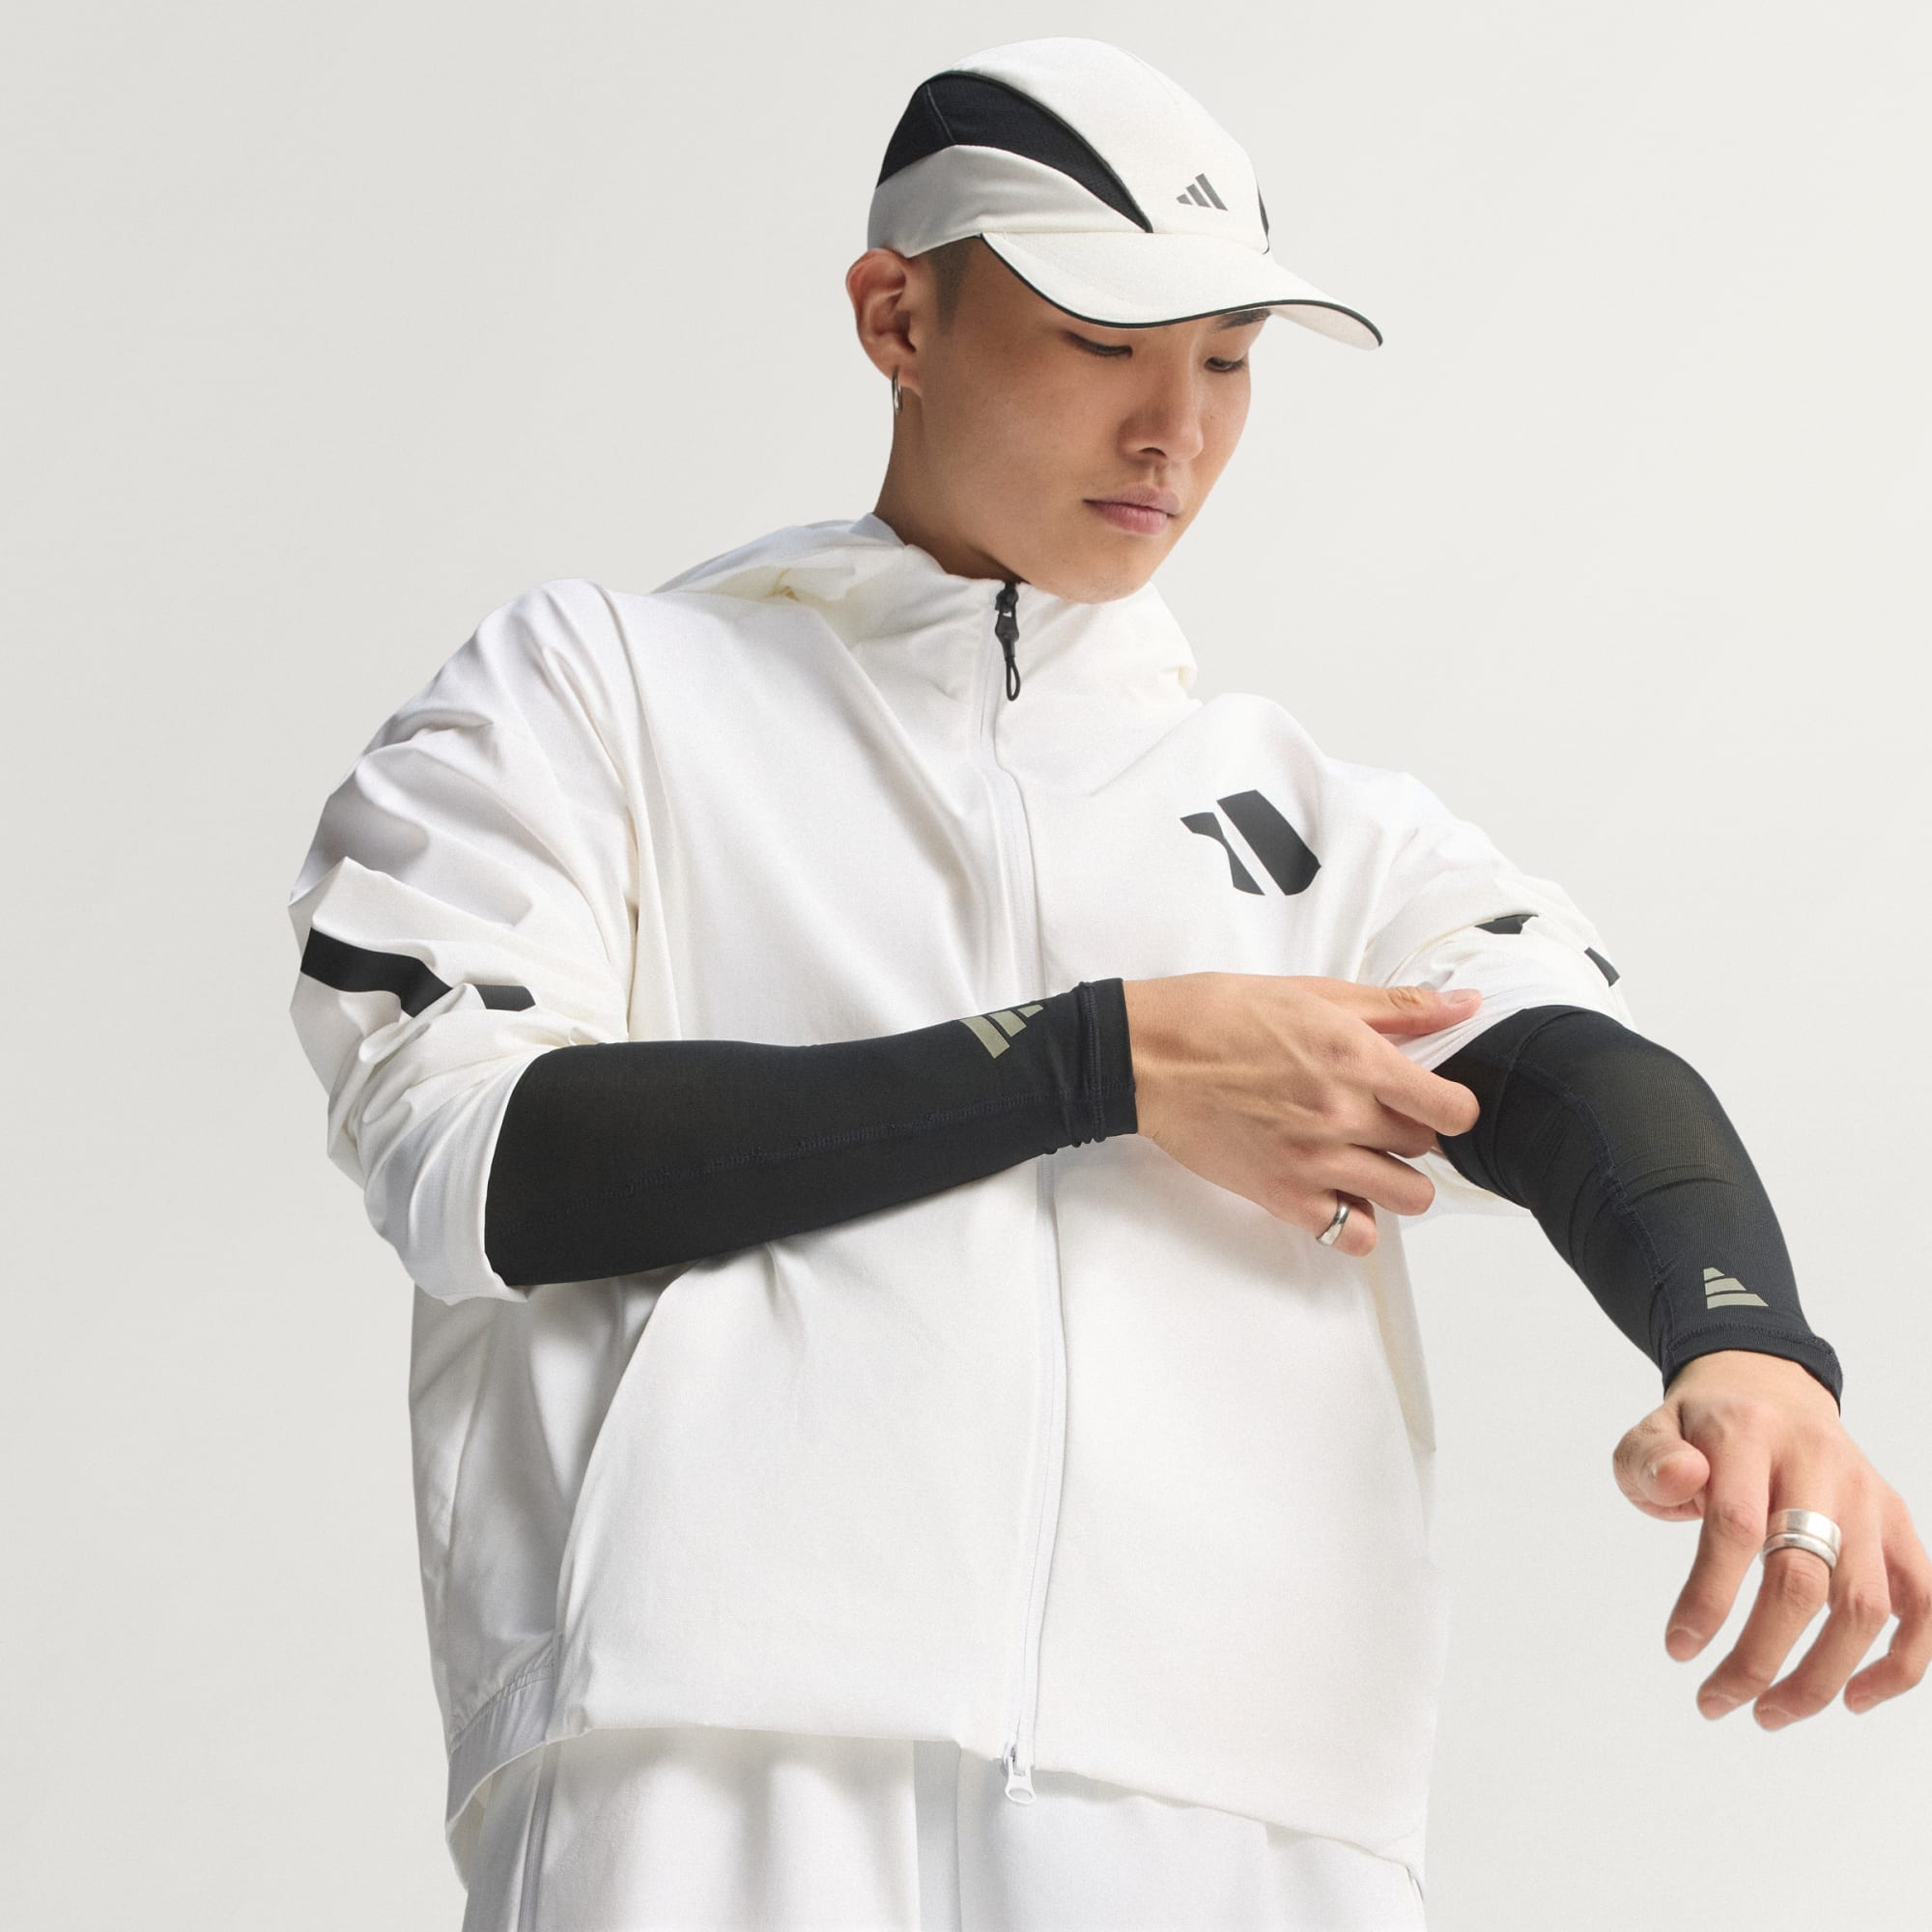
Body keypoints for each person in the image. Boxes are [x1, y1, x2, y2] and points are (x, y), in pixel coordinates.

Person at [284, 35, 1924, 1931]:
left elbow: (1569, 1069)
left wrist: (1746, 1350)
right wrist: (1099, 1061)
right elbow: (481, 1164)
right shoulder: (599, 694)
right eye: (1100, 343)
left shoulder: (1311, 818)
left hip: (1241, 1804)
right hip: (715, 1756)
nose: (1175, 431)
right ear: (896, 316)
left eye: (1226, 359)